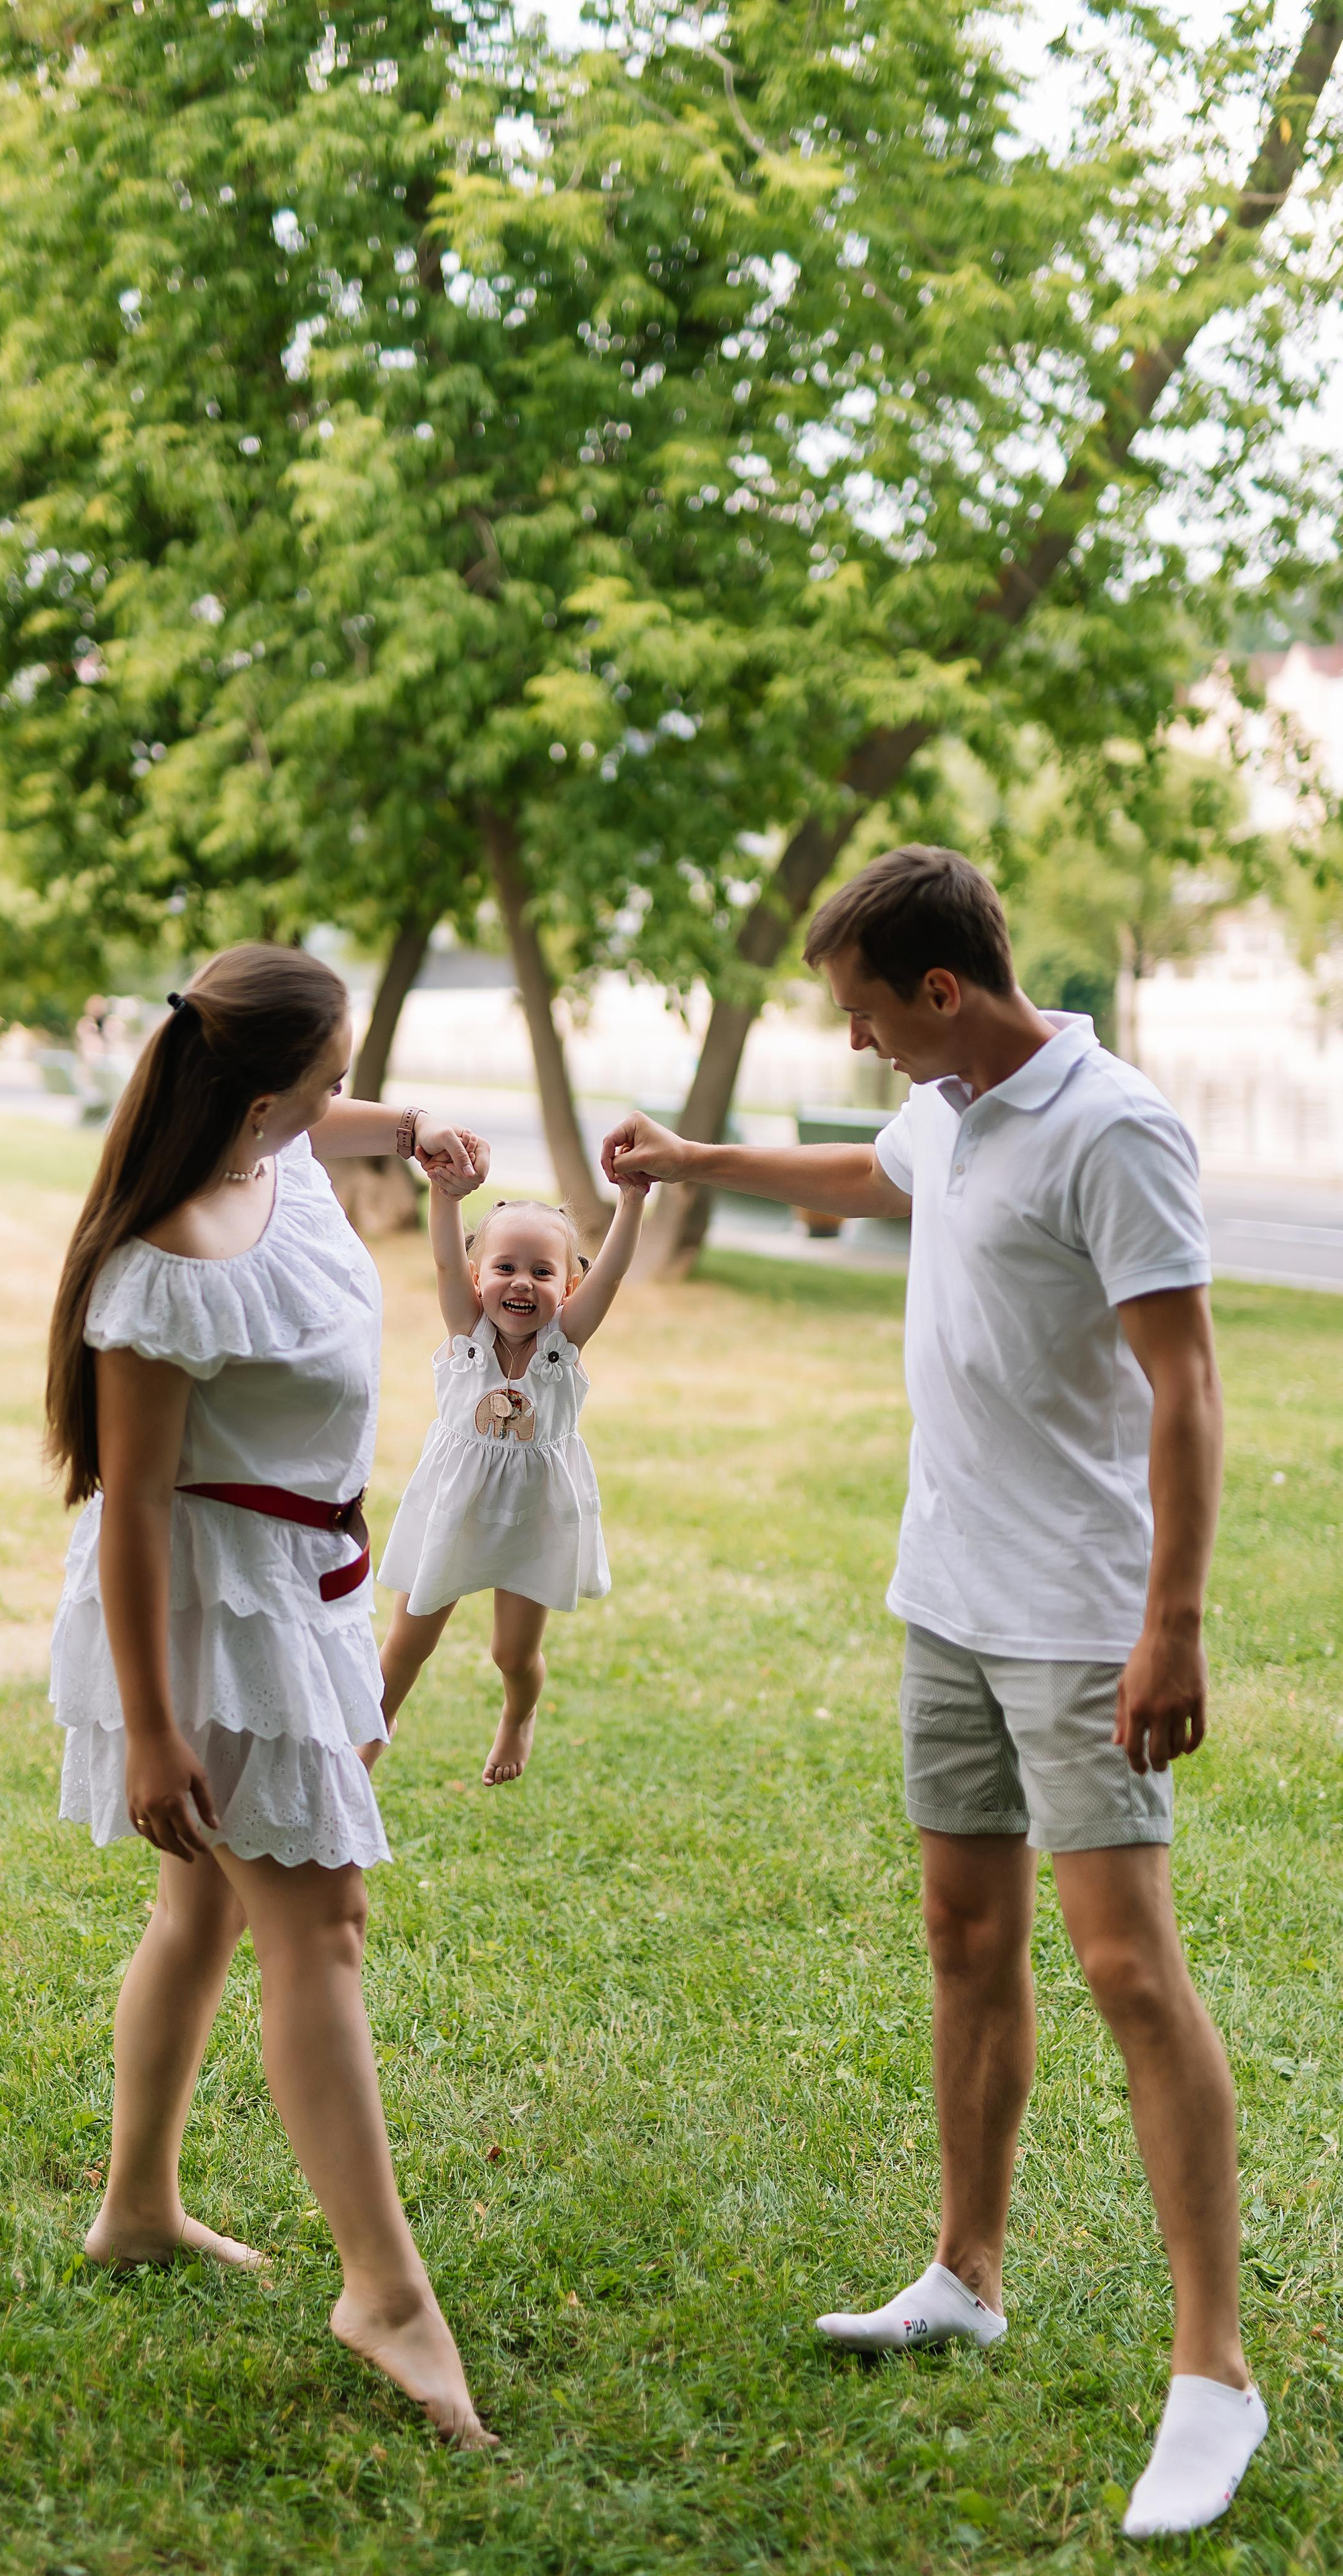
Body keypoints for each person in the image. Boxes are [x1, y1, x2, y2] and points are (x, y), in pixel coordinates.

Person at [603, 847, 1263, 2542]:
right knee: (964, 1942)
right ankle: (964, 2272)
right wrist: (688, 1162)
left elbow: (1183, 1386)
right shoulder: (953, 1101)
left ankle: (1212, 2374)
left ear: (942, 990)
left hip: (1074, 1618)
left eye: (863, 1015)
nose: (859, 1043)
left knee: (1124, 1965)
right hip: (947, 1601)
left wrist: (1169, 1623)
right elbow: (867, 1167)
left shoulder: (1108, 1127)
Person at [44, 945, 495, 2448]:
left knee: (205, 1913)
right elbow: (135, 1509)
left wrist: (418, 1124)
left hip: (303, 1584)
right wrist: (154, 1725)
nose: (342, 1099)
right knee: (322, 1921)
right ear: (259, 1097)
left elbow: (355, 1121)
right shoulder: (164, 1268)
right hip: (207, 1617)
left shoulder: (282, 1155)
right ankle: (384, 2292)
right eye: (331, 1074)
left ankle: (135, 2207)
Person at [374, 1182, 646, 1784]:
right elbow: (445, 1256)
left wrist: (630, 1203)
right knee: (407, 1641)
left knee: (513, 1654)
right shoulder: (465, 1333)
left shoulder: (564, 1345)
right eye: (505, 1267)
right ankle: (368, 1737)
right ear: (477, 1278)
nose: (522, 1282)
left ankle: (518, 1717)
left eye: (542, 1272)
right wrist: (444, 1197)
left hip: (534, 1518)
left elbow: (614, 1275)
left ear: (568, 1287)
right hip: (454, 1511)